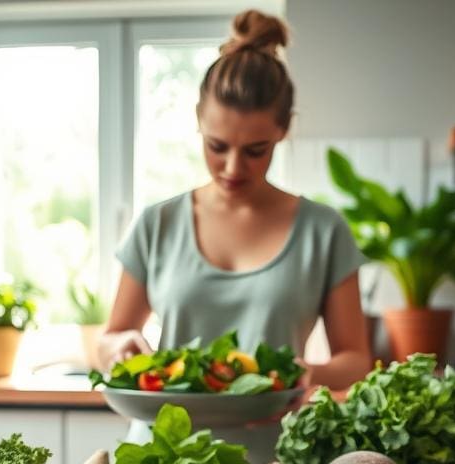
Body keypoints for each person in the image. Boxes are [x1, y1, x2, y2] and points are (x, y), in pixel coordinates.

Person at [98, 9, 372, 393]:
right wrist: (117, 349)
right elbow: (110, 338)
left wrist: (307, 373)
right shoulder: (156, 224)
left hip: (274, 450)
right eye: (217, 146)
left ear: (284, 129)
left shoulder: (323, 231)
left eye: (256, 150)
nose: (232, 167)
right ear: (198, 118)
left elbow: (356, 362)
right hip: (162, 447)